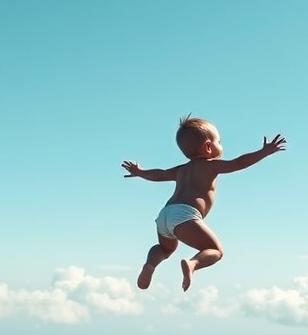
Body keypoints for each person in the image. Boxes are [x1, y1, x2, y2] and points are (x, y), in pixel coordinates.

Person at [122, 115, 286, 292]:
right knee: (215, 250)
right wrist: (264, 152)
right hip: (185, 215)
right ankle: (193, 264)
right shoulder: (211, 166)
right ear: (208, 147)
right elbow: (239, 163)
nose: (221, 145)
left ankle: (150, 265)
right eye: (219, 141)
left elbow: (158, 175)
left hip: (165, 214)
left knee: (164, 248)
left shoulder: (181, 170)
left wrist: (139, 172)